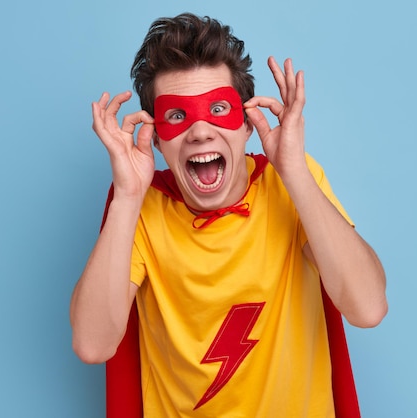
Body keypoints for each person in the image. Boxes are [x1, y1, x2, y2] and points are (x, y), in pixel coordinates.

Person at [70, 12, 387, 417]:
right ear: (155, 138)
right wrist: (129, 196)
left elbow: (368, 307)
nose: (200, 132)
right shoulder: (141, 207)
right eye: (177, 116)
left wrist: (295, 173)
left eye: (217, 109)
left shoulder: (289, 185)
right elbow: (93, 345)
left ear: (247, 125)